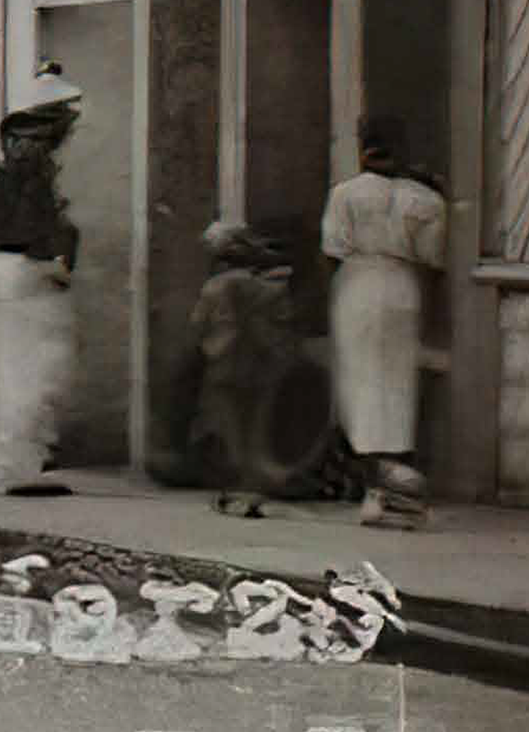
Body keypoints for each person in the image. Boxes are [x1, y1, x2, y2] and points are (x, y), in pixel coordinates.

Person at [0, 67, 81, 497]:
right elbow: (32, 227)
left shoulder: (19, 173)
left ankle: (8, 459)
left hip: (12, 271)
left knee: (25, 368)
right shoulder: (33, 174)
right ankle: (14, 465)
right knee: (30, 370)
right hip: (22, 271)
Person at [322, 118, 448, 526]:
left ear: (364, 148)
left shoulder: (345, 194)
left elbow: (333, 248)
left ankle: (376, 486)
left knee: (358, 383)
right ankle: (395, 485)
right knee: (396, 384)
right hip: (403, 287)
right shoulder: (427, 200)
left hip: (358, 284)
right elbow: (434, 258)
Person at [185, 220, 301, 516]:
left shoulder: (214, 287)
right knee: (256, 427)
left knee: (228, 427)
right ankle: (255, 489)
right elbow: (285, 324)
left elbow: (198, 325)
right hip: (260, 364)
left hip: (224, 362)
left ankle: (232, 487)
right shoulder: (269, 288)